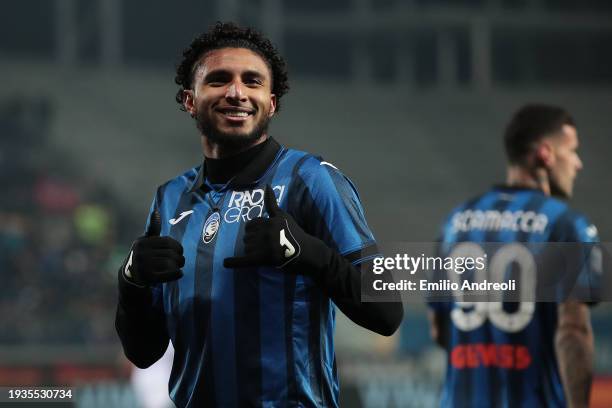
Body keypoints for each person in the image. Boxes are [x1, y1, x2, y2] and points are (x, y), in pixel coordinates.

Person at [115, 22, 403, 407]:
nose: (237, 92)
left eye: (252, 82)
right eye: (219, 80)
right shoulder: (169, 199)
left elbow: (387, 313)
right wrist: (131, 281)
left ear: (271, 103)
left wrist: (310, 255)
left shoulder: (310, 180)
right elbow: (144, 352)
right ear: (189, 99)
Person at [428, 104, 599, 407]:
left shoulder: (454, 223)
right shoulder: (565, 225)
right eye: (572, 151)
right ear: (545, 155)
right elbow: (574, 331)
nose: (578, 163)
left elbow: (439, 330)